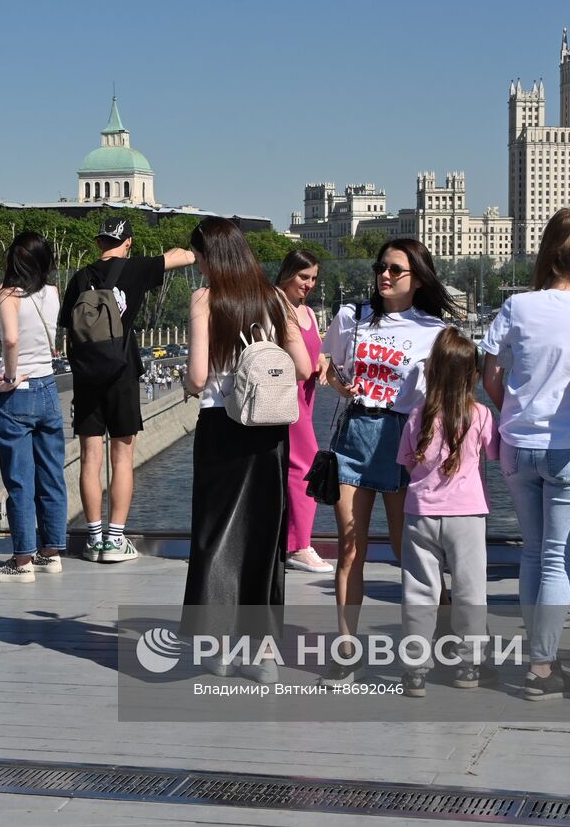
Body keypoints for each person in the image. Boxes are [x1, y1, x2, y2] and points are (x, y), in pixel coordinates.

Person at [481, 208, 570, 700]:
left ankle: (538, 654)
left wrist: (510, 409)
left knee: (533, 555)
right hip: (569, 448)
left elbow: (491, 375)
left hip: (518, 446)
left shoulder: (517, 306)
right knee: (557, 559)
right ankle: (542, 665)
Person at [181, 217, 312, 682]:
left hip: (222, 425)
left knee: (216, 535)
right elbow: (304, 367)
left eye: (198, 256)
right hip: (270, 429)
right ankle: (264, 655)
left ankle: (216, 648)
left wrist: (188, 379)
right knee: (264, 537)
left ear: (210, 256)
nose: (196, 264)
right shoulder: (276, 299)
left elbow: (198, 378)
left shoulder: (206, 299)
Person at [318, 238, 452, 681]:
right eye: (381, 267)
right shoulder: (351, 317)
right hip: (354, 432)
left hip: (400, 436)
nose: (385, 275)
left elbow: (440, 395)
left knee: (405, 547)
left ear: (418, 279)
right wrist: (343, 387)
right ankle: (346, 648)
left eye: (397, 269)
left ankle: (445, 627)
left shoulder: (432, 330)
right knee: (349, 546)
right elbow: (331, 368)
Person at [59, 216, 195, 563]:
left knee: (90, 458)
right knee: (123, 457)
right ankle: (115, 539)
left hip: (87, 374)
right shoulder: (136, 270)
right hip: (122, 371)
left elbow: (67, 333)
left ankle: (92, 538)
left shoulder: (79, 278)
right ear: (128, 242)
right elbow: (183, 257)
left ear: (98, 242)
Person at [395, 327, 498, 696]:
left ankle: (415, 669)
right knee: (471, 590)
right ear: (473, 375)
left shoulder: (417, 415)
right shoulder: (481, 416)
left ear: (432, 371)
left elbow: (406, 462)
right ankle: (469, 665)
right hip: (467, 516)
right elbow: (497, 454)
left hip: (420, 514)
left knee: (419, 591)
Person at [0, 232, 68, 583]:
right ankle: (51, 552)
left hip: (19, 391)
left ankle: (22, 561)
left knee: (20, 480)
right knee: (52, 473)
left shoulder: (7, 295)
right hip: (49, 387)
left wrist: (10, 374)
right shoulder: (52, 293)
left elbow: (11, 338)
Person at [277, 248, 332, 573]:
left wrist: (322, 362)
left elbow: (313, 352)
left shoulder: (306, 311)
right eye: (303, 277)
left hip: (306, 400)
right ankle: (299, 546)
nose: (309, 284)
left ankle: (291, 542)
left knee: (295, 470)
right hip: (286, 398)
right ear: (287, 274)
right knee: (305, 467)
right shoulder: (277, 306)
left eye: (313, 278)